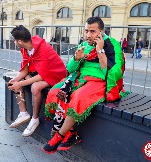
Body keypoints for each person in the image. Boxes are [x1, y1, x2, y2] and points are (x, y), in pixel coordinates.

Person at [41, 16, 127, 154]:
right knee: (54, 92)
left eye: (92, 31)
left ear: (101, 31)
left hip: (99, 82)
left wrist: (100, 51)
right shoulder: (84, 45)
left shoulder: (112, 44)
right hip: (79, 79)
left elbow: (113, 72)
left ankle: (59, 135)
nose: (88, 35)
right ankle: (71, 133)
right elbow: (70, 69)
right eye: (86, 31)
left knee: (77, 97)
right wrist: (76, 59)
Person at [8, 25, 67, 137]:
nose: (14, 42)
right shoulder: (25, 48)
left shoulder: (43, 48)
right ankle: (23, 113)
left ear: (19, 41)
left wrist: (20, 83)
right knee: (16, 81)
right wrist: (16, 80)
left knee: (35, 87)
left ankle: (35, 119)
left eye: (14, 40)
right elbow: (25, 70)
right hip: (41, 72)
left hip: (55, 74)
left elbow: (42, 75)